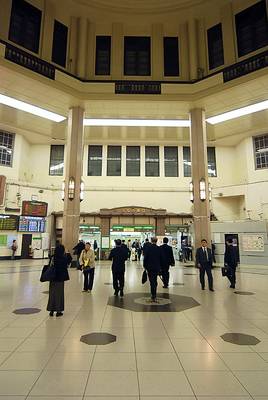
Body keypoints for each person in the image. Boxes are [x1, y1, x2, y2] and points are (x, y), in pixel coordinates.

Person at [47, 244, 70, 317]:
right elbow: (69, 261)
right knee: (59, 295)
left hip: (52, 278)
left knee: (52, 294)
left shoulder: (53, 257)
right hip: (60, 279)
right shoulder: (63, 258)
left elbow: (49, 266)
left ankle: (51, 310)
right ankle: (58, 311)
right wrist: (68, 252)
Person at [143, 237, 163, 302]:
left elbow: (145, 258)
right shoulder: (159, 249)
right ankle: (154, 291)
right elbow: (161, 258)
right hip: (157, 267)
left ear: (151, 241)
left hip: (150, 267)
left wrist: (145, 266)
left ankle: (153, 294)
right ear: (156, 241)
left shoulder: (148, 249)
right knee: (154, 279)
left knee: (152, 281)